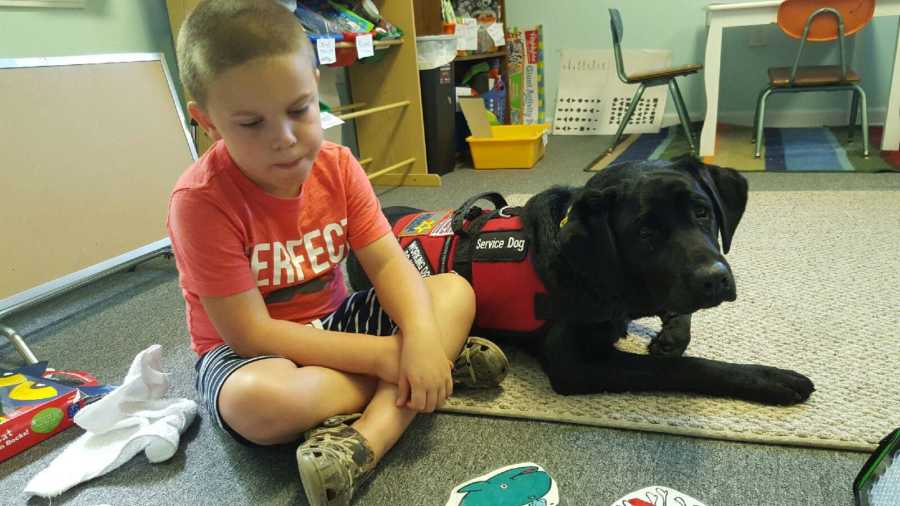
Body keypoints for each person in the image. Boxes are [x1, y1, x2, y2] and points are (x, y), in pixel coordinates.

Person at [166, 2, 509, 505]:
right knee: (260, 404)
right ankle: (433, 370)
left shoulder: (339, 166)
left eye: (299, 110)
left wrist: (416, 332)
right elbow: (250, 332)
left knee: (453, 290)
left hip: (335, 322)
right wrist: (403, 354)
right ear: (208, 122)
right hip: (249, 354)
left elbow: (389, 263)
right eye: (251, 123)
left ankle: (367, 440)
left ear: (316, 83)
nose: (284, 140)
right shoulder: (200, 202)